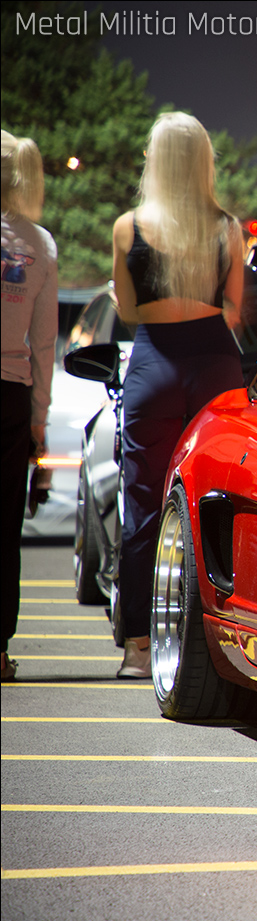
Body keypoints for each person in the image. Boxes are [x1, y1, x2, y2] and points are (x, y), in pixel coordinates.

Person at [112, 112, 245, 678]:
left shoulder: (129, 227)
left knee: (143, 501)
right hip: (214, 360)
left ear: (155, 159)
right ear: (203, 162)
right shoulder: (226, 228)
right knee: (221, 502)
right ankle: (225, 643)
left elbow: (125, 309)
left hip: (155, 360)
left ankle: (138, 647)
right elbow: (234, 310)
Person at [2, 130, 58, 683]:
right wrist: (39, 421)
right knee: (3, 527)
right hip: (10, 392)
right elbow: (44, 343)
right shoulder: (38, 245)